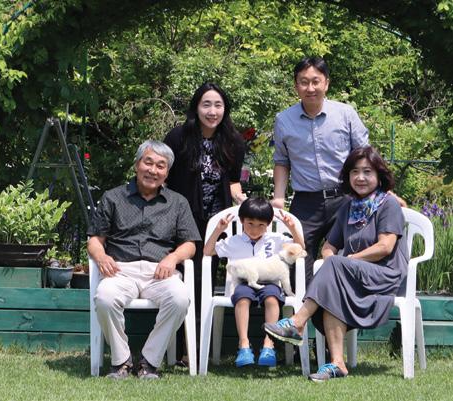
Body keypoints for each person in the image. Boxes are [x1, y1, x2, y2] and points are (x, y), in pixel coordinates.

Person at [264, 146, 408, 382]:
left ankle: (297, 323)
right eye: (354, 172)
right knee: (331, 278)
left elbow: (385, 247)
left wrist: (347, 261)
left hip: (385, 275)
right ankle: (338, 363)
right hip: (354, 276)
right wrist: (335, 262)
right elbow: (328, 247)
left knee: (334, 267)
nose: (360, 177)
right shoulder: (349, 207)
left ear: (379, 175)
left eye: (367, 172)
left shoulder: (388, 204)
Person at [88, 140, 201, 380]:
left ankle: (149, 361)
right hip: (120, 270)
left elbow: (190, 244)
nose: (153, 170)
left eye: (160, 166)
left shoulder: (177, 202)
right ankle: (121, 361)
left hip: (160, 271)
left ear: (167, 172)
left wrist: (173, 257)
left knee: (180, 298)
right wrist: (101, 255)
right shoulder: (113, 197)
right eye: (148, 162)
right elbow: (95, 240)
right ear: (137, 165)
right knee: (105, 298)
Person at [164, 82, 247, 365]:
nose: (212, 111)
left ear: (225, 109)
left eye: (218, 105)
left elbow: (233, 182)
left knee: (205, 282)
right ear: (196, 108)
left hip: (216, 224)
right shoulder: (178, 137)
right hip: (182, 220)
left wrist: (242, 200)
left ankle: (197, 349)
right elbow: (164, 177)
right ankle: (176, 348)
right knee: (182, 280)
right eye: (206, 105)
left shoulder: (233, 142)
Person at [272, 56, 369, 285]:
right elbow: (282, 161)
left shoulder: (345, 114)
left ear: (326, 83)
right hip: (306, 202)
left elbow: (365, 155)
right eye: (304, 82)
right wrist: (278, 197)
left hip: (346, 198)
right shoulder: (284, 120)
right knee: (297, 266)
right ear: (296, 86)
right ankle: (303, 307)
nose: (310, 88)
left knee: (351, 259)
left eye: (316, 81)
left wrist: (378, 191)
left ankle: (343, 307)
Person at [203, 197, 305, 367]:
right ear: (241, 221)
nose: (255, 230)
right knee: (242, 299)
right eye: (250, 224)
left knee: (272, 299)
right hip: (243, 283)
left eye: (261, 225)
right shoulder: (234, 241)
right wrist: (218, 230)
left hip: (270, 283)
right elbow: (207, 251)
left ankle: (269, 344)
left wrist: (292, 228)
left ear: (268, 224)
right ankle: (243, 344)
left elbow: (301, 248)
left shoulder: (276, 239)